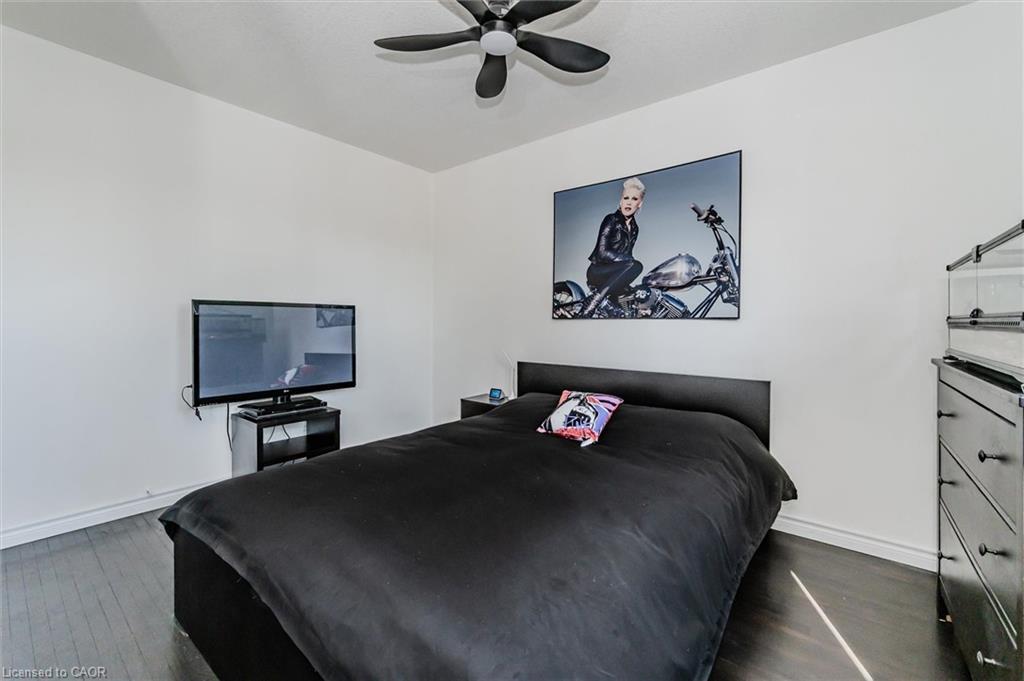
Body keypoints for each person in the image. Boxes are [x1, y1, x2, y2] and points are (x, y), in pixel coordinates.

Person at [580, 177, 645, 317]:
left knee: (632, 301)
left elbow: (627, 257)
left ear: (640, 204)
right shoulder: (611, 219)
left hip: (615, 273)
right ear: (621, 201)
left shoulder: (635, 229)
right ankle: (593, 303)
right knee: (637, 265)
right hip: (598, 271)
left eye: (634, 199)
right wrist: (628, 261)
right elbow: (601, 252)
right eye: (626, 198)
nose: (629, 202)